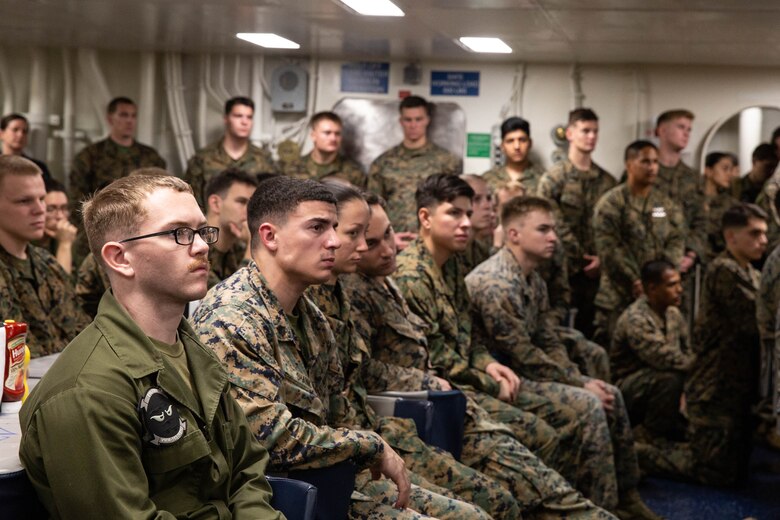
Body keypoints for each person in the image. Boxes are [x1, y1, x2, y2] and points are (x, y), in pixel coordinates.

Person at [191, 176, 487, 519]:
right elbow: (270, 440)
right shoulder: (233, 318)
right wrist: (369, 445)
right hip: (271, 496)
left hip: (327, 478)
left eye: (334, 227)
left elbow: (336, 414)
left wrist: (364, 447)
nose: (333, 241)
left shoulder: (312, 318)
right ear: (270, 236)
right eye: (317, 228)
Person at [19, 173, 283, 519]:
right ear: (120, 258)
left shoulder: (191, 348)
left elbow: (247, 469)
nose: (203, 246)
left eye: (203, 231)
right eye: (179, 233)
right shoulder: (88, 390)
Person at [307, 182, 515, 519]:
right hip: (352, 446)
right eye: (357, 236)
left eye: (382, 235)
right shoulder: (320, 296)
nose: (379, 249)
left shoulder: (340, 292)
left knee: (493, 495)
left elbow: (452, 340)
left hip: (374, 429)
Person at [465, 195, 659, 519]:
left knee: (610, 393)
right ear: (514, 234)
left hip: (524, 370)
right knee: (589, 404)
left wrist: (579, 377)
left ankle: (626, 496)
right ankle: (599, 507)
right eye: (543, 229)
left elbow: (546, 338)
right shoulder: (495, 282)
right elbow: (522, 354)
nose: (553, 237)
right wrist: (579, 385)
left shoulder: (533, 277)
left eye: (553, 229)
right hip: (501, 378)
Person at [687, 203, 767, 485]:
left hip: (737, 389)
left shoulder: (753, 275)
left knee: (738, 468)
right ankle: (641, 449)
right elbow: (757, 318)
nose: (763, 241)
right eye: (755, 233)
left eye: (765, 234)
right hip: (715, 390)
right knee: (710, 472)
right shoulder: (723, 270)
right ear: (731, 237)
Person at [592, 140, 685, 345]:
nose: (652, 167)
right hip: (619, 295)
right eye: (645, 161)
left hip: (658, 298)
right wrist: (636, 280)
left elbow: (676, 237)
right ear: (629, 165)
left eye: (655, 162)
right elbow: (609, 247)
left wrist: (662, 278)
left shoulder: (662, 205)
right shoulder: (613, 203)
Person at [537, 108, 616, 338]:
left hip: (596, 272)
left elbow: (611, 227)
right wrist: (579, 257)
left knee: (592, 331)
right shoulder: (554, 178)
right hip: (561, 268)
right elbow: (549, 222)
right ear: (570, 134)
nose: (591, 137)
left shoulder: (607, 181)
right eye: (585, 131)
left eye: (595, 132)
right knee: (556, 330)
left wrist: (602, 258)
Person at [0, 156, 90, 357]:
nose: (40, 210)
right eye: (24, 201)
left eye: (41, 199)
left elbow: (83, 332)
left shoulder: (47, 263)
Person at [611, 260, 693, 446]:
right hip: (628, 390)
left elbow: (686, 350)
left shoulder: (673, 313)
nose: (679, 290)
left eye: (680, 283)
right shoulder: (636, 318)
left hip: (656, 385)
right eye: (672, 285)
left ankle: (671, 424)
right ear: (652, 289)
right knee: (670, 377)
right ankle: (647, 435)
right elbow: (663, 358)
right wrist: (700, 367)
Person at [368, 95, 462, 248]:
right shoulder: (383, 163)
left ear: (427, 120)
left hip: (433, 242)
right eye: (408, 120)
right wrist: (385, 237)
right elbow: (373, 208)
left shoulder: (446, 162)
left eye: (418, 119)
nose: (413, 125)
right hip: (392, 243)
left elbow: (453, 205)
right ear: (401, 121)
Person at [185, 96, 277, 208]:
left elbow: (273, 203)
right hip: (212, 223)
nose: (244, 122)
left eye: (249, 117)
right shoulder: (203, 159)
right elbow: (190, 201)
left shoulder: (264, 160)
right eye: (238, 116)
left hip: (250, 223)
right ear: (226, 119)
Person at [653, 109, 705, 277]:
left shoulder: (693, 178)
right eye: (681, 127)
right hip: (649, 263)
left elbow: (702, 221)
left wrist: (691, 254)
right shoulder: (643, 172)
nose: (686, 133)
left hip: (683, 265)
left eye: (689, 129)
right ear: (662, 130)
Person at [203, 168, 257, 287]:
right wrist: (252, 246)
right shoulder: (195, 249)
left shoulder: (238, 248)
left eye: (252, 204)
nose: (250, 211)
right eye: (242, 202)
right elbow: (231, 301)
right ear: (216, 204)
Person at [282, 111, 366, 187]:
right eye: (327, 133)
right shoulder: (292, 169)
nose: (333, 138)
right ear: (313, 135)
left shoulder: (354, 173)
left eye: (337, 134)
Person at [481, 116, 545, 196]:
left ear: (530, 143)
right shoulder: (488, 179)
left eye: (522, 140)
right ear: (502, 146)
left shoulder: (544, 179)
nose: (517, 146)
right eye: (510, 141)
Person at [702, 152, 740, 263]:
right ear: (708, 171)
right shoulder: (693, 201)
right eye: (725, 169)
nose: (729, 174)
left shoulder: (731, 204)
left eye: (730, 170)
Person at [37, 179, 78, 275]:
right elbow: (60, 287)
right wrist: (65, 244)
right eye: (51, 209)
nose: (60, 216)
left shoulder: (68, 236)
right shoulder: (26, 243)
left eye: (64, 208)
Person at [0, 112, 53, 184]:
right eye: (15, 130)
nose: (20, 135)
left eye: (24, 131)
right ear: (1, 134)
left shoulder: (37, 167)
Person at [460, 174, 497, 271]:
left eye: (488, 198)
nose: (487, 206)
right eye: (476, 199)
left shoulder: (479, 250)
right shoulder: (448, 249)